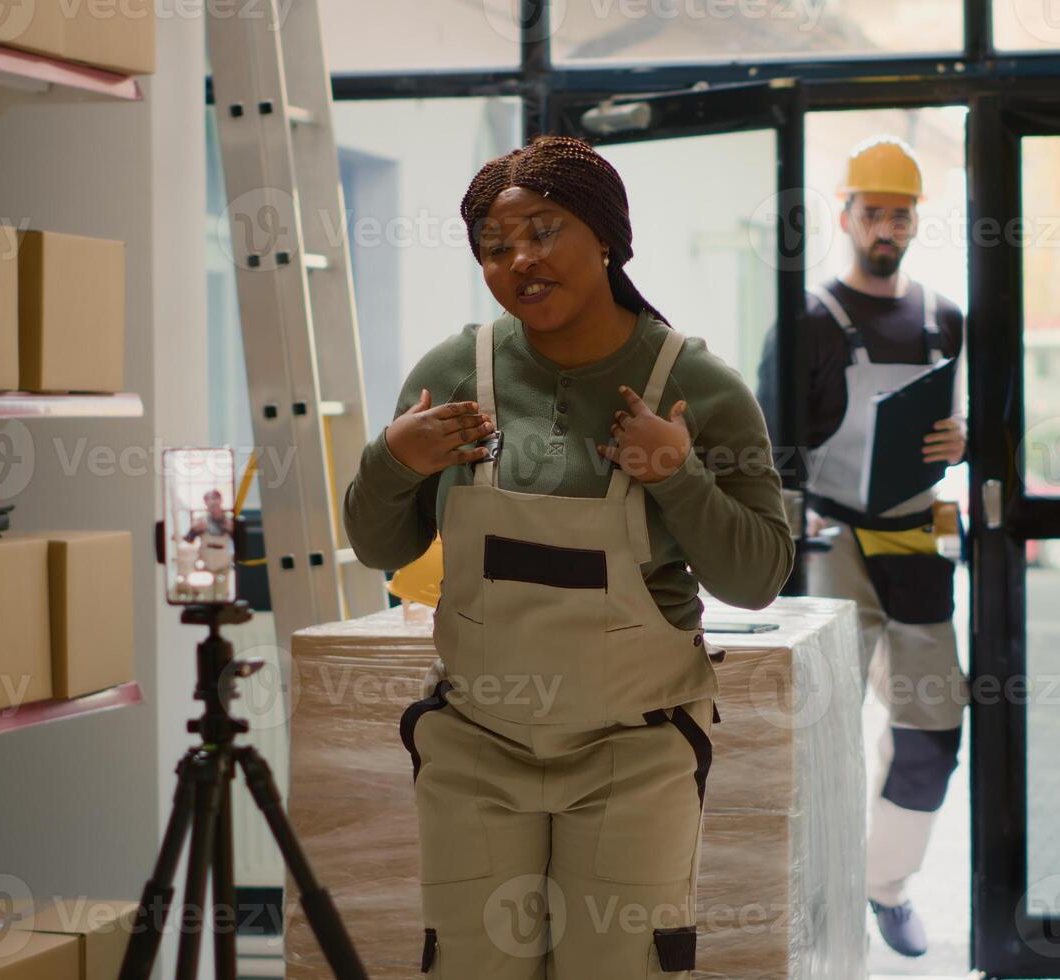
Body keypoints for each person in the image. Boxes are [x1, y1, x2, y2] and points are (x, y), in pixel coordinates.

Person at [344, 135, 794, 979]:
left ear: (606, 236)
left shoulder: (697, 387)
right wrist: (393, 461)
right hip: (475, 744)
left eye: (542, 232)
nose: (518, 260)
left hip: (633, 753)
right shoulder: (454, 371)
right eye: (492, 248)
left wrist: (677, 475)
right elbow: (380, 546)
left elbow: (756, 574)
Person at [756, 135, 971, 958]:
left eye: (901, 213)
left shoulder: (945, 317)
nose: (887, 226)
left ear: (917, 220)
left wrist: (963, 440)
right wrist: (783, 531)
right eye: (873, 211)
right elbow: (767, 443)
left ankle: (883, 885)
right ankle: (808, 896)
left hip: (914, 541)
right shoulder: (810, 321)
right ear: (845, 216)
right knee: (817, 732)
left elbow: (975, 428)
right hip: (829, 546)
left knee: (931, 731)